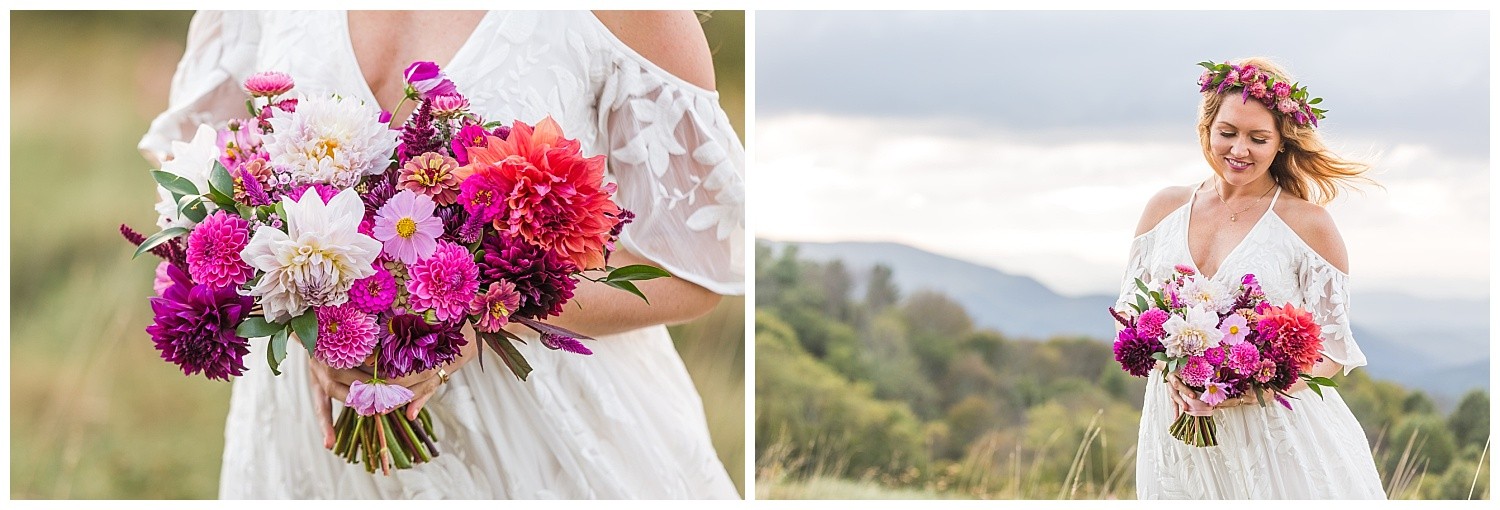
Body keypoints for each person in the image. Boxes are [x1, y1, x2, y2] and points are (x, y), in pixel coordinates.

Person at [139, 10, 744, 499]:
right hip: (312, 423)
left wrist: (479, 315)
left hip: (534, 434)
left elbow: (703, 271)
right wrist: (312, 324)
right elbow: (212, 179)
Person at [1117, 57, 1384, 499]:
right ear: (1207, 131)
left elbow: (1333, 353)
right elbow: (1129, 311)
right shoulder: (1163, 208)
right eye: (1227, 133)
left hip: (1275, 437)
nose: (1239, 150)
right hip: (1174, 432)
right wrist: (1173, 368)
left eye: (1258, 138)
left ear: (1281, 143)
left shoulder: (1310, 225)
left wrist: (1247, 388)